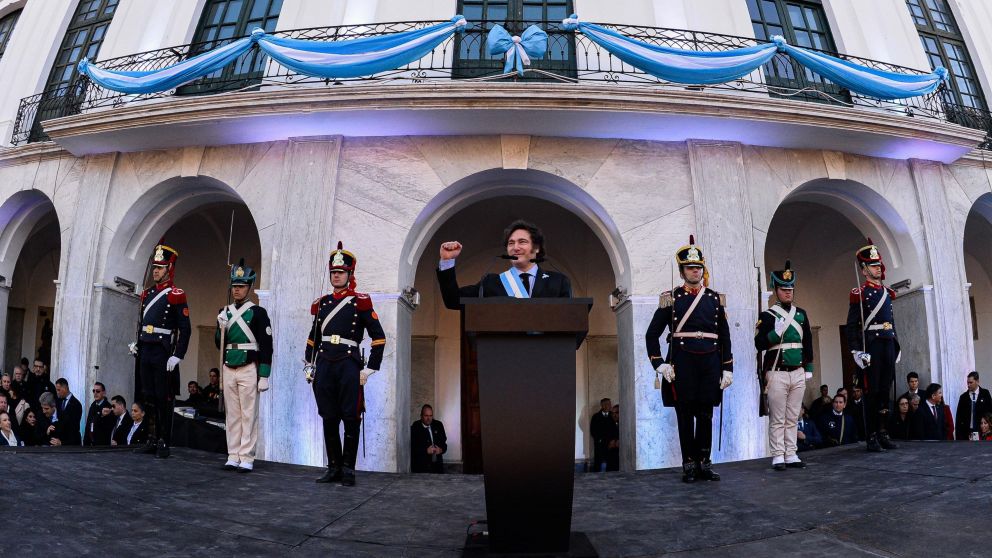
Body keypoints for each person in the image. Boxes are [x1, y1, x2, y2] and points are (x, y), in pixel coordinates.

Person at [646, 235, 733, 483]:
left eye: (698, 267)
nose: (695, 271)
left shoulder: (714, 298)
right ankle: (689, 465)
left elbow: (724, 337)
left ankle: (705, 462)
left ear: (702, 270)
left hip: (710, 363)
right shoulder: (671, 298)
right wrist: (659, 363)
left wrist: (728, 368)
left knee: (706, 414)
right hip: (682, 363)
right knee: (684, 415)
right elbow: (652, 335)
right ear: (682, 271)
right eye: (690, 268)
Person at [305, 242, 386, 487]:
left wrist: (370, 368)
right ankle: (333, 467)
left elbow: (379, 336)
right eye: (333, 272)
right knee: (328, 417)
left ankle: (349, 469)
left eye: (341, 271)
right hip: (325, 363)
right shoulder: (322, 304)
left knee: (351, 417)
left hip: (349, 364)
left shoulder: (360, 301)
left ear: (350, 275)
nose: (336, 275)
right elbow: (313, 337)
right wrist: (309, 363)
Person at [129, 242, 191, 459]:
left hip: (163, 352)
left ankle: (164, 439)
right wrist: (138, 342)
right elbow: (142, 322)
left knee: (163, 397)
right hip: (146, 349)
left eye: (160, 267)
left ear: (169, 269)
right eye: (155, 266)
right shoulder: (147, 293)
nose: (155, 270)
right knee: (148, 396)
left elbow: (185, 328)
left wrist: (178, 354)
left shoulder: (176, 294)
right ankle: (151, 438)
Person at [215, 258, 274, 473]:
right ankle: (233, 454)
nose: (237, 290)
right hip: (229, 365)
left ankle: (247, 456)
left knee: (249, 413)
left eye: (241, 286)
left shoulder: (258, 313)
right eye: (234, 286)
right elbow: (218, 344)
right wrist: (219, 327)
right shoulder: (225, 311)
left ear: (249, 287)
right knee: (232, 414)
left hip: (249, 366)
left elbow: (266, 345)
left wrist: (264, 374)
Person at [754, 260, 813, 471]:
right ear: (776, 290)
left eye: (790, 289)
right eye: (784, 289)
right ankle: (778, 454)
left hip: (797, 371)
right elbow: (758, 344)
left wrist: (809, 368)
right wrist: (774, 333)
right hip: (777, 371)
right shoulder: (768, 316)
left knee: (793, 415)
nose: (788, 293)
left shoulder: (801, 314)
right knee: (778, 417)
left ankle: (791, 453)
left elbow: (807, 342)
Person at [436, 220, 572, 310]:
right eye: (511, 243)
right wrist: (447, 261)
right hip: (501, 353)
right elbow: (453, 300)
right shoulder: (491, 283)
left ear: (536, 248)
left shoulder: (558, 281)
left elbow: (572, 319)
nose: (515, 247)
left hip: (548, 353)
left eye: (522, 242)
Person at [846, 238, 900, 452]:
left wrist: (897, 344)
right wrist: (857, 351)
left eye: (879, 265)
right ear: (864, 269)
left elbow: (892, 321)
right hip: (872, 345)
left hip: (888, 344)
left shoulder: (887, 292)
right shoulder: (859, 294)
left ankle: (883, 432)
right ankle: (871, 436)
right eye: (874, 266)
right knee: (873, 391)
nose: (879, 269)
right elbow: (852, 325)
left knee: (885, 391)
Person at [955, 372, 992, 441]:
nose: (968, 385)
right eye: (967, 383)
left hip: (982, 431)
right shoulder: (963, 397)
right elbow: (959, 418)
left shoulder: (985, 394)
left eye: (971, 382)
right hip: (967, 433)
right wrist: (958, 437)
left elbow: (990, 412)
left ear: (977, 381)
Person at [410, 404, 447, 474]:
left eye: (430, 416)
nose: (429, 418)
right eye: (426, 416)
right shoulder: (415, 427)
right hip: (421, 468)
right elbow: (412, 448)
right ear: (421, 416)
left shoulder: (438, 425)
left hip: (437, 468)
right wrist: (425, 451)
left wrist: (441, 450)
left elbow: (444, 444)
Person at [53, 378, 82, 446]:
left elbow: (74, 428)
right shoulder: (58, 401)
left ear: (65, 388)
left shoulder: (76, 404)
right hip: (59, 442)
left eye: (59, 390)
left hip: (71, 444)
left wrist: (63, 443)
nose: (57, 392)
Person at [84, 382, 114, 446]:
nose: (95, 393)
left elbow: (106, 428)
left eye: (98, 391)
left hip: (101, 446)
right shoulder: (93, 406)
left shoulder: (108, 407)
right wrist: (85, 443)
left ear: (103, 393)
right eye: (93, 391)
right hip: (90, 444)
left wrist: (101, 415)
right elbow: (88, 425)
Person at [589, 398, 613, 472]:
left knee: (611, 460)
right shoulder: (596, 416)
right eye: (607, 404)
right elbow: (592, 430)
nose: (609, 405)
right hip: (600, 442)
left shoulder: (613, 415)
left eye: (610, 404)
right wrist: (598, 439)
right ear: (602, 405)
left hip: (611, 443)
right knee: (598, 461)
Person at [606, 404, 620, 471]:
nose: (614, 415)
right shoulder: (609, 424)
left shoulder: (625, 424)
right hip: (611, 455)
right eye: (612, 413)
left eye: (616, 413)